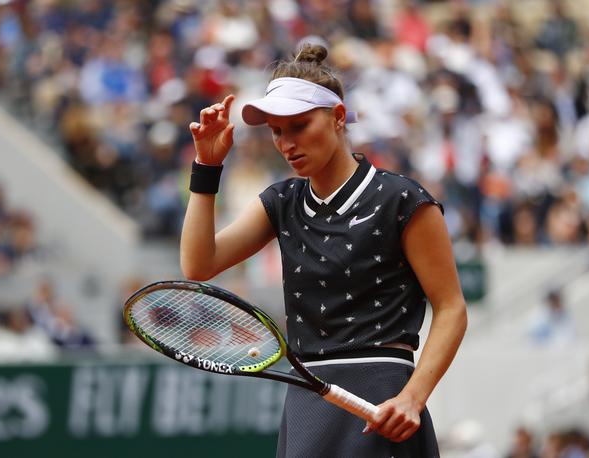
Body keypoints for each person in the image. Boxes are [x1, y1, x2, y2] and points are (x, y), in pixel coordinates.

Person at [180, 43, 467, 457]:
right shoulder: (281, 201)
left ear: (337, 118)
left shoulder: (402, 199)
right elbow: (198, 263)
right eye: (277, 131)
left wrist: (413, 398)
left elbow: (452, 307)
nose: (285, 143)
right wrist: (206, 168)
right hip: (308, 399)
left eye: (298, 126)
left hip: (383, 400)